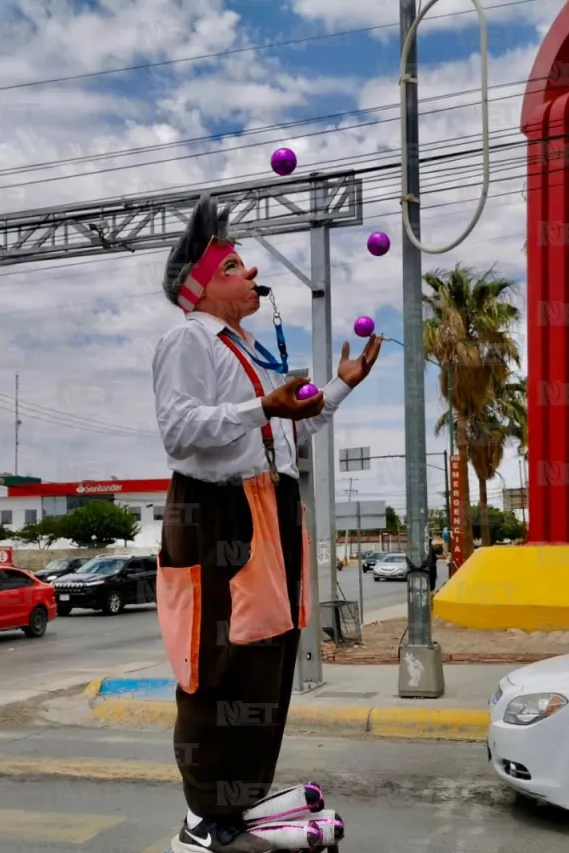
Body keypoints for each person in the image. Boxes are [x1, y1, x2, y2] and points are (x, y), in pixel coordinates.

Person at [152, 194, 382, 853]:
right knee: (218, 660)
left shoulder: (247, 346)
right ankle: (203, 818)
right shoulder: (187, 339)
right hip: (214, 506)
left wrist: (339, 387)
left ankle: (242, 800)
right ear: (201, 285)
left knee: (266, 652)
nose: (251, 274)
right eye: (235, 266)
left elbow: (291, 427)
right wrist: (261, 405)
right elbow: (179, 431)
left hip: (266, 503)